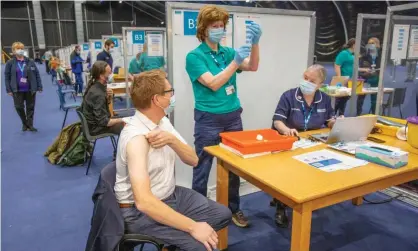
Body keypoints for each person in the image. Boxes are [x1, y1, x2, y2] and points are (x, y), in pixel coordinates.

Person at [115, 69, 231, 251]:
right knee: (200, 245)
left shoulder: (162, 121)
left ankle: (173, 242)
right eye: (169, 92)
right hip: (138, 212)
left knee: (223, 214)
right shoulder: (136, 138)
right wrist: (193, 227)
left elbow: (193, 160)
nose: (172, 96)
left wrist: (172, 140)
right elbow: (144, 202)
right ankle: (179, 238)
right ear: (156, 99)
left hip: (169, 195)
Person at [185, 5, 262, 228]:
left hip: (232, 117)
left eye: (221, 26)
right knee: (202, 168)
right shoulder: (194, 56)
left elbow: (254, 66)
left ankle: (233, 209)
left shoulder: (227, 52)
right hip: (208, 119)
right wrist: (236, 61)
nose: (219, 29)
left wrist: (255, 43)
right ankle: (196, 215)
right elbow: (213, 83)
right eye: (214, 26)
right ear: (203, 29)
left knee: (233, 168)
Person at [271, 64, 337, 227]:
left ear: (320, 85)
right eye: (305, 77)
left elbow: (330, 120)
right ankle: (281, 205)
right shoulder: (289, 96)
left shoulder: (325, 99)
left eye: (312, 80)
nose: (306, 82)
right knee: (288, 173)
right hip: (289, 141)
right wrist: (286, 130)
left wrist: (337, 123)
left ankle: (306, 199)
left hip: (312, 142)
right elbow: (277, 121)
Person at [4, 42, 42, 132]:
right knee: (18, 107)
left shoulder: (30, 61)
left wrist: (39, 86)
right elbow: (7, 77)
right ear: (13, 51)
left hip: (30, 89)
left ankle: (30, 125)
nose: (20, 50)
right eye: (18, 49)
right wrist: (8, 89)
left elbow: (37, 74)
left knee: (30, 107)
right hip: (17, 90)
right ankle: (24, 123)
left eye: (21, 48)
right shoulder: (10, 63)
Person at [81, 61, 124, 137]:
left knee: (124, 123)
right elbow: (103, 121)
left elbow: (100, 109)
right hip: (96, 128)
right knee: (127, 126)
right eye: (109, 73)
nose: (112, 75)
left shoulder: (96, 87)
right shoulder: (98, 93)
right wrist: (122, 120)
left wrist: (108, 98)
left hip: (94, 124)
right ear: (101, 76)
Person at [357, 37, 381, 115]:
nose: (370, 45)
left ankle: (374, 115)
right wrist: (364, 71)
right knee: (361, 98)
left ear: (377, 45)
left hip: (375, 78)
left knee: (374, 99)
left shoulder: (381, 55)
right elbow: (358, 68)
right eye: (369, 43)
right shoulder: (363, 56)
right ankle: (358, 114)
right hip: (365, 79)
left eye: (372, 43)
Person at [334, 38, 356, 116]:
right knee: (339, 99)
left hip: (349, 80)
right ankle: (332, 115)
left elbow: (353, 67)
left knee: (345, 98)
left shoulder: (352, 55)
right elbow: (337, 65)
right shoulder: (344, 53)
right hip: (343, 79)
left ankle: (341, 114)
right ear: (354, 45)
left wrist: (365, 70)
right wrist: (340, 78)